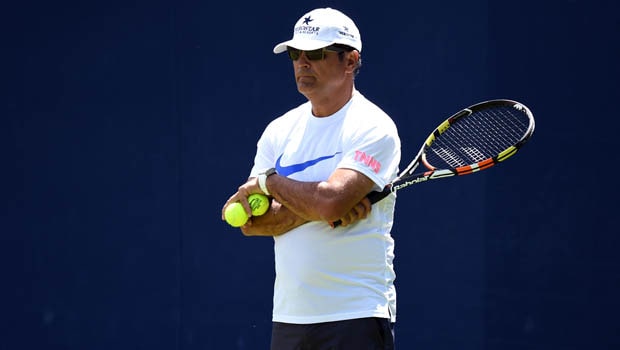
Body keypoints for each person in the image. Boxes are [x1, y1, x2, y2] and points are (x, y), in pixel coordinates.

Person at [222, 7, 401, 350]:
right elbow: (249, 221)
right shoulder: (279, 130)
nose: (302, 63)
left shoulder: (374, 127)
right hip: (291, 319)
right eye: (295, 53)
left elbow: (330, 201)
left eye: (316, 54)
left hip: (356, 314)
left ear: (350, 61)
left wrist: (273, 185)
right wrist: (320, 209)